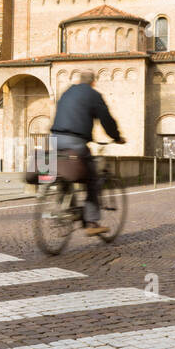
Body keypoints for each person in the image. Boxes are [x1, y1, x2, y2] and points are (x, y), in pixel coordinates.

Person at [50, 71, 125, 235]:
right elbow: (106, 120)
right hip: (75, 141)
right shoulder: (93, 95)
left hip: (54, 138)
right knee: (92, 178)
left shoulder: (67, 92)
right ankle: (91, 222)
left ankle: (67, 208)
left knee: (63, 172)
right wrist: (117, 137)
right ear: (93, 83)